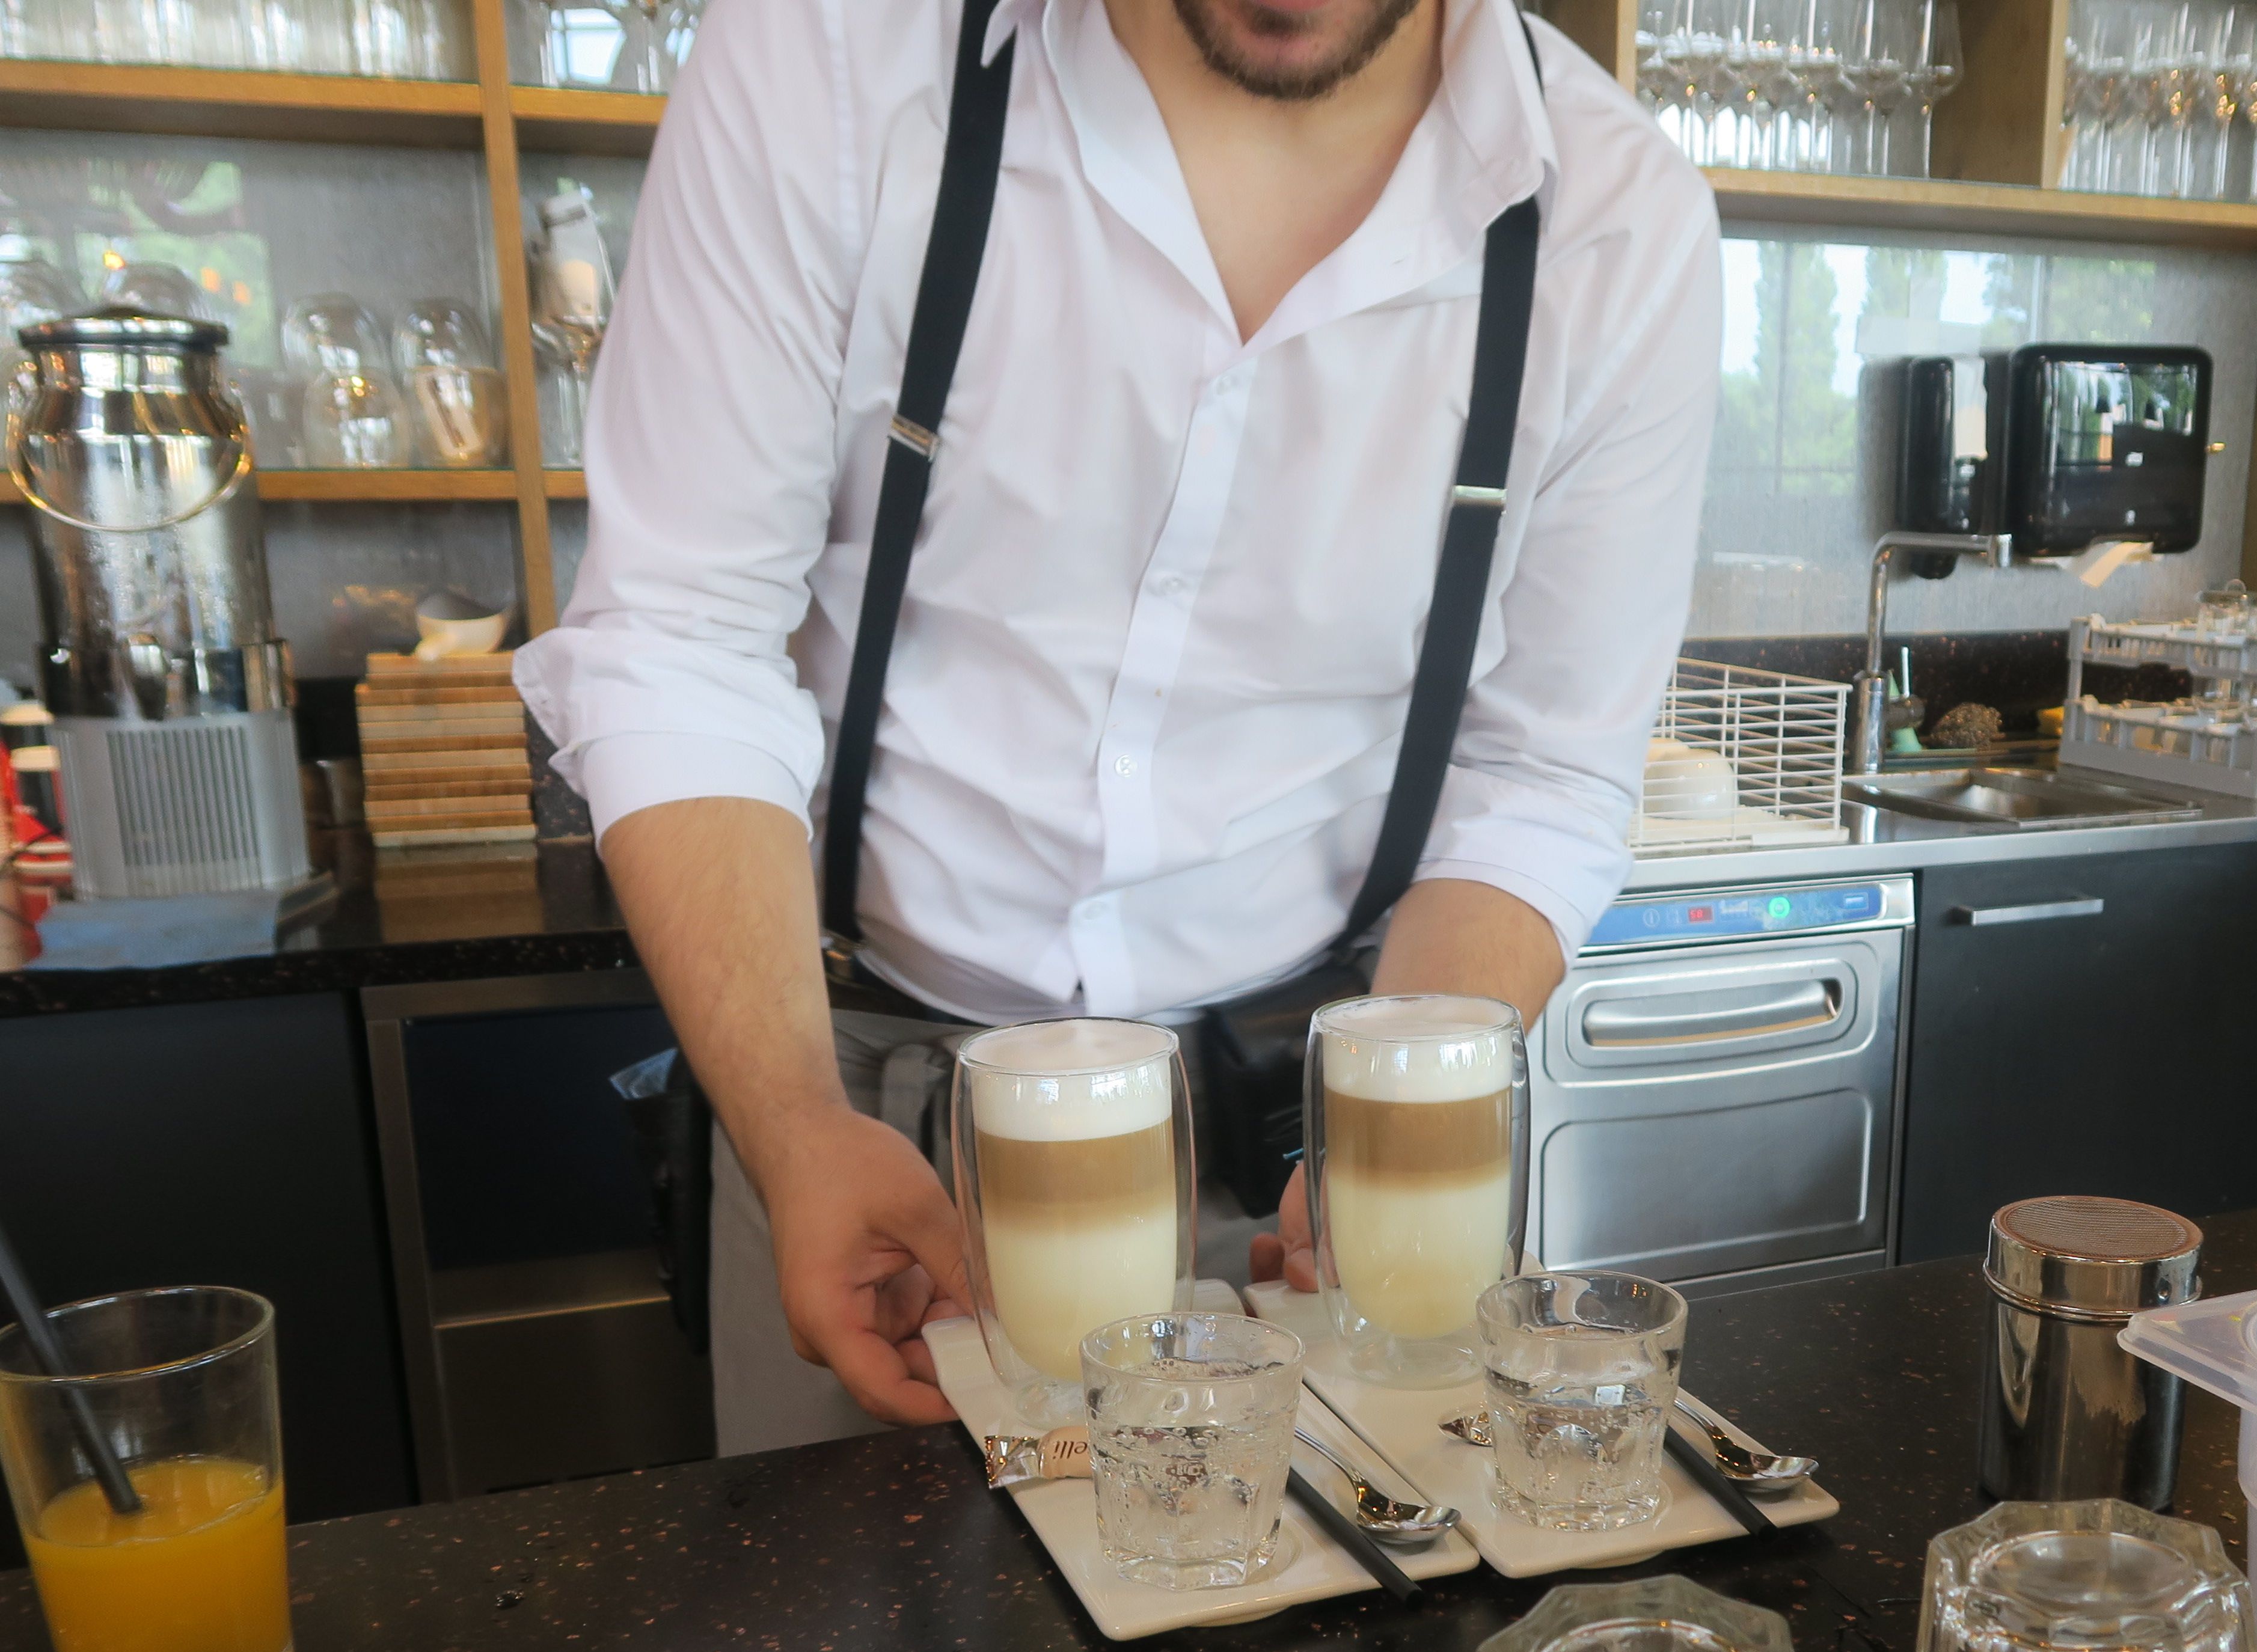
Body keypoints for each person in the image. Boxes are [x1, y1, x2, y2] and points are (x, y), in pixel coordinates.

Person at [514, 0, 1721, 1452]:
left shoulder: (1615, 219)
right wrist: (788, 1125)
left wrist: (1388, 1139)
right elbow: (680, 642)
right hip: (848, 1110)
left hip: (1280, 1142)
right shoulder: (830, 58)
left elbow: (1538, 770)